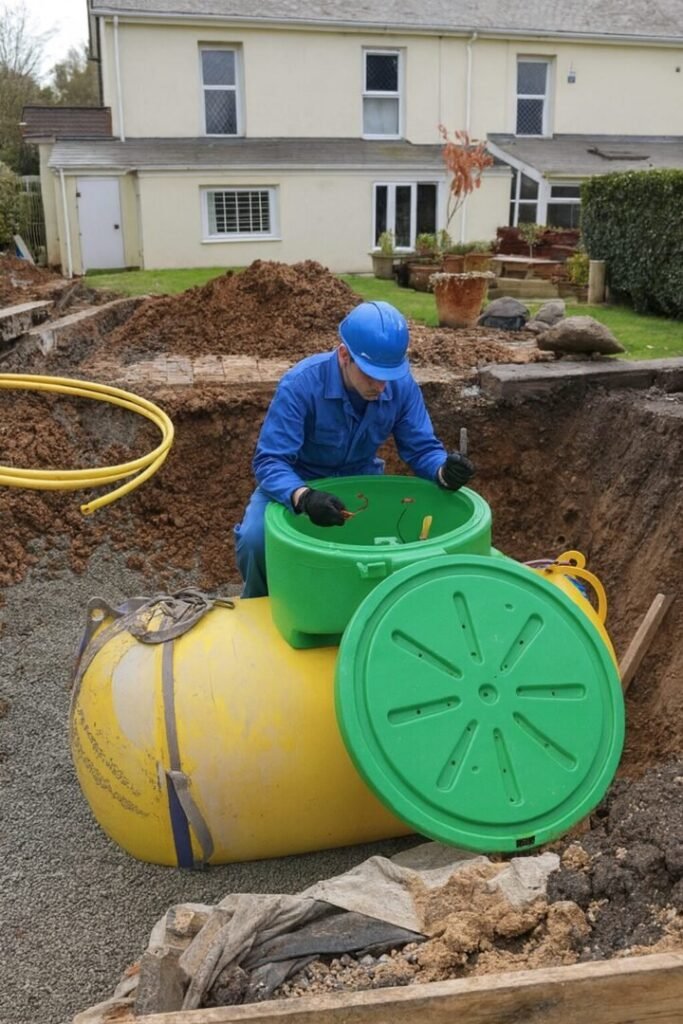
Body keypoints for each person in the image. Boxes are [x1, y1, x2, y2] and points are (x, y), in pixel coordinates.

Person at [234, 300, 474, 597]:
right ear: (344, 355)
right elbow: (270, 461)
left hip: (361, 483)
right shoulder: (300, 385)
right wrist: (304, 497)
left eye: (388, 376)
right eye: (372, 374)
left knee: (384, 547)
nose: (382, 386)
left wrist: (443, 470)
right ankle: (262, 605)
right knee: (255, 539)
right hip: (299, 485)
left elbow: (422, 448)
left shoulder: (400, 385)